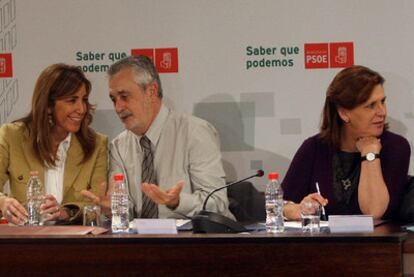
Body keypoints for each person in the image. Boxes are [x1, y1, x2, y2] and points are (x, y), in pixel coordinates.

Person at [82, 55, 233, 219]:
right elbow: (126, 210)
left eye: (124, 96)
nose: (118, 107)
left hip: (195, 240)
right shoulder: (119, 145)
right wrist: (114, 209)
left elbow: (217, 203)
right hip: (142, 242)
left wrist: (177, 202)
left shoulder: (194, 132)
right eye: (114, 99)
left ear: (151, 91)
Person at [282, 65, 410, 220]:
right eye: (371, 105)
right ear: (343, 113)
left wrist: (370, 153)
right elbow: (281, 205)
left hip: (378, 244)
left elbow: (374, 211)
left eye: (382, 102)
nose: (382, 112)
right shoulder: (314, 148)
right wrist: (299, 209)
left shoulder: (396, 147)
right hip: (322, 243)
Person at [0, 64, 108, 225]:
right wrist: (4, 203)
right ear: (49, 105)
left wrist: (66, 212)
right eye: (72, 100)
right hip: (25, 242)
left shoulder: (97, 144)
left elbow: (97, 203)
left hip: (74, 244)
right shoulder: (11, 136)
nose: (81, 109)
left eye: (84, 100)